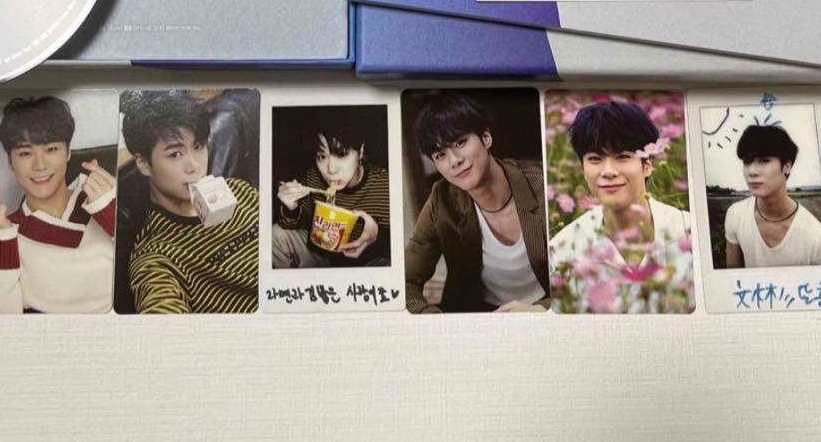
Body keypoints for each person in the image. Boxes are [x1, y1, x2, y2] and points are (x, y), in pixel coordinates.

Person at [0, 96, 116, 315]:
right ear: (10, 162)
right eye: (25, 153)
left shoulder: (105, 198)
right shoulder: (0, 233)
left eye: (51, 149)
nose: (40, 165)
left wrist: (112, 211)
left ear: (68, 152)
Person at [405, 93, 549, 313]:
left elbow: (587, 274)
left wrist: (544, 311)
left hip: (542, 313)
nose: (454, 161)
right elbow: (403, 281)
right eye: (440, 155)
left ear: (486, 137)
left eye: (460, 143)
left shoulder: (543, 186)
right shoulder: (442, 200)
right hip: (478, 317)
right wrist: (435, 320)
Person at [549, 100, 694, 314]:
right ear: (582, 168)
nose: (608, 171)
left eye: (622, 157)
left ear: (647, 165)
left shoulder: (689, 232)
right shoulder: (563, 250)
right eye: (595, 159)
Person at [121, 92, 259, 314]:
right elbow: (161, 309)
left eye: (199, 146)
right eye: (175, 154)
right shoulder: (156, 257)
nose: (194, 166)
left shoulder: (237, 190)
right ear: (144, 163)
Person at [273, 117, 390, 268]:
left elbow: (404, 244)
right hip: (320, 255)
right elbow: (296, 223)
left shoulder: (385, 184)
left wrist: (378, 236)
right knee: (276, 234)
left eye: (341, 154)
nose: (331, 170)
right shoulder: (314, 178)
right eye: (322, 157)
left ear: (360, 151)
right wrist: (292, 207)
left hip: (367, 263)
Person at [724, 125, 821, 269]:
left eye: (764, 160)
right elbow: (732, 276)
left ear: (787, 166)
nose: (752, 171)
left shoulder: (818, 239)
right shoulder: (735, 214)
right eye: (747, 162)